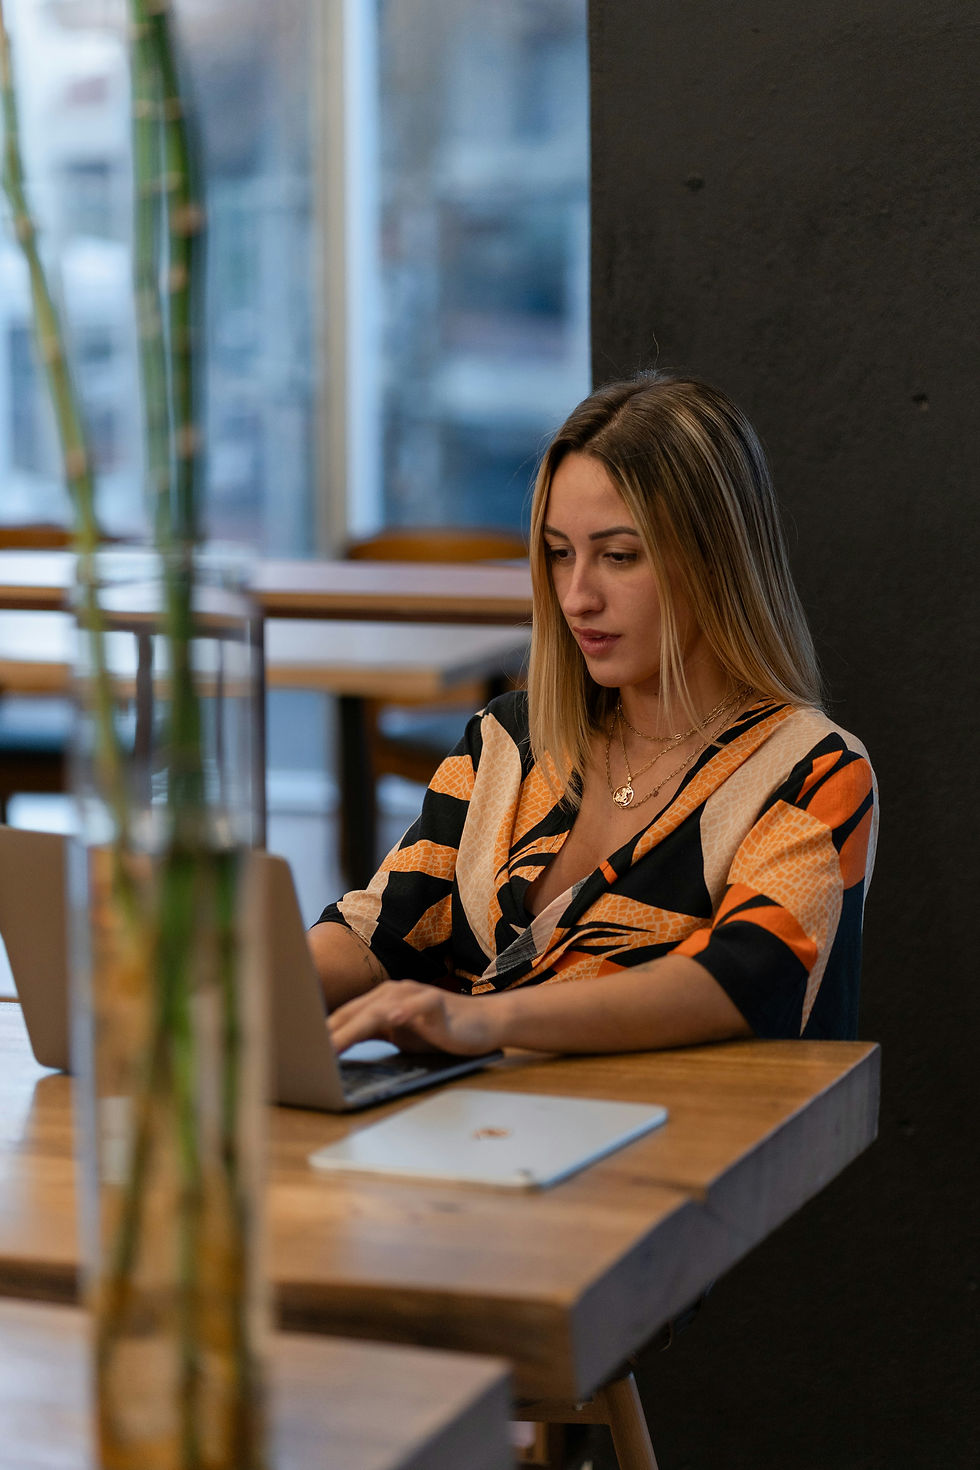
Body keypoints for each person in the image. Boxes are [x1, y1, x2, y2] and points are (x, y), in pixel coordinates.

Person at [309, 371, 877, 1059]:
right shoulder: (507, 742)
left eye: (618, 556)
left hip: (669, 1148)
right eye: (558, 554)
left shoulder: (814, 772)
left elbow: (742, 980)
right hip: (473, 1136)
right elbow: (378, 929)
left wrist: (487, 1021)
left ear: (715, 560)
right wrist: (242, 990)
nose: (577, 596)